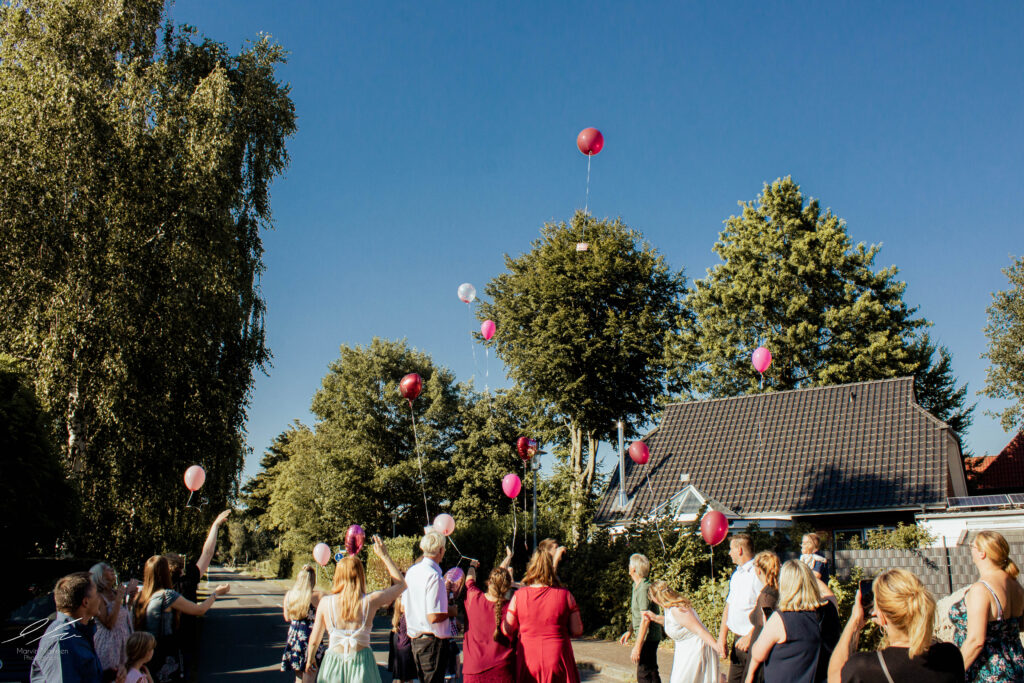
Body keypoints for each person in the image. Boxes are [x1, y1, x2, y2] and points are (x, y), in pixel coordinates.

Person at [828, 568, 964, 683]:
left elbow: (835, 677)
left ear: (880, 617)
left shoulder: (863, 668)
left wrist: (854, 624)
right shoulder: (950, 656)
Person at [306, 535, 406, 682]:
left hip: (333, 663)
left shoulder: (325, 603)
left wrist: (310, 658)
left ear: (338, 576)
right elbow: (401, 585)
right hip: (362, 664)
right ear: (360, 575)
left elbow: (315, 639)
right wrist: (384, 556)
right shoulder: (370, 601)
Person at [133, 555, 229, 682]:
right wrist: (215, 594)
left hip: (145, 656)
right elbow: (200, 609)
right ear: (165, 573)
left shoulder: (139, 598)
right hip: (166, 656)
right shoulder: (167, 596)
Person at [949, 530, 1024, 681]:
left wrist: (951, 675)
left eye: (972, 546)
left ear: (982, 553)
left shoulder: (981, 590)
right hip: (1016, 665)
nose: (971, 551)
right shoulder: (1016, 585)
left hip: (987, 671)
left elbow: (976, 641)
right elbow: (1020, 625)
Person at [501, 546, 583, 682]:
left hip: (528, 659)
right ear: (551, 568)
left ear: (531, 567)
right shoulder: (566, 595)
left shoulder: (519, 596)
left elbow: (507, 629)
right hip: (558, 658)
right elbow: (577, 630)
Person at [745, 560, 833, 683]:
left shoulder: (781, 619)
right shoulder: (829, 611)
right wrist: (808, 576)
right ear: (810, 582)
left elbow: (758, 653)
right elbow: (830, 594)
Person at [31, 572, 109, 683]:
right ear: (85, 602)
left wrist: (107, 676)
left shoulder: (77, 633)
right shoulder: (62, 640)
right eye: (97, 593)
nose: (101, 598)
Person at [641, 581, 722, 682]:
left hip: (695, 650)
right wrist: (655, 617)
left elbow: (699, 630)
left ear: (655, 598)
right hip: (684, 652)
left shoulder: (678, 610)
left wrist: (718, 647)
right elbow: (673, 623)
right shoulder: (669, 608)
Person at [403, 531, 457, 683]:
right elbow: (433, 616)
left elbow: (404, 606)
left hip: (416, 639)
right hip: (432, 642)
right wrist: (451, 611)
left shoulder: (412, 572)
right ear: (440, 550)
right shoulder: (434, 576)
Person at [463, 548, 515, 683]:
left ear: (489, 582)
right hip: (503, 671)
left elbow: (469, 580)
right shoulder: (512, 607)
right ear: (508, 586)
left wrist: (472, 566)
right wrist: (508, 557)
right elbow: (500, 577)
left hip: (474, 670)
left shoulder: (474, 598)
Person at [718, 533, 763, 683]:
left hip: (753, 640)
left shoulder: (758, 574)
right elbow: (729, 606)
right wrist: (722, 637)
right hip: (737, 641)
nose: (729, 553)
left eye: (731, 549)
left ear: (740, 550)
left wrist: (750, 636)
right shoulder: (737, 574)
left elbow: (766, 609)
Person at [617, 553, 662, 683]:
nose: (628, 567)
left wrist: (637, 646)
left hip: (648, 637)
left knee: (643, 674)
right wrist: (630, 631)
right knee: (651, 672)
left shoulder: (644, 588)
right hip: (646, 636)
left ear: (634, 569)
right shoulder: (636, 586)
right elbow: (637, 614)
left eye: (630, 565)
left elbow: (645, 619)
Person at [281, 565, 328, 683]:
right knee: (310, 677)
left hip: (294, 639)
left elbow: (287, 617)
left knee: (299, 677)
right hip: (311, 638)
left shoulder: (289, 595)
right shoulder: (317, 597)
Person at [90, 562, 138, 671]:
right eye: (106, 569)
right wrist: (118, 600)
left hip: (124, 641)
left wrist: (130, 599)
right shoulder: (99, 597)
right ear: (99, 575)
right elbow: (109, 624)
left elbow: (124, 616)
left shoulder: (115, 592)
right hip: (109, 644)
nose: (112, 570)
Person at [745, 552, 781, 683]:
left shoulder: (766, 597)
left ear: (758, 570)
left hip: (761, 654)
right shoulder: (778, 590)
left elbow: (766, 629)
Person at [387, 594, 417, 683]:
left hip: (398, 651)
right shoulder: (406, 618)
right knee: (407, 677)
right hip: (406, 649)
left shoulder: (396, 620)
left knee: (399, 677)